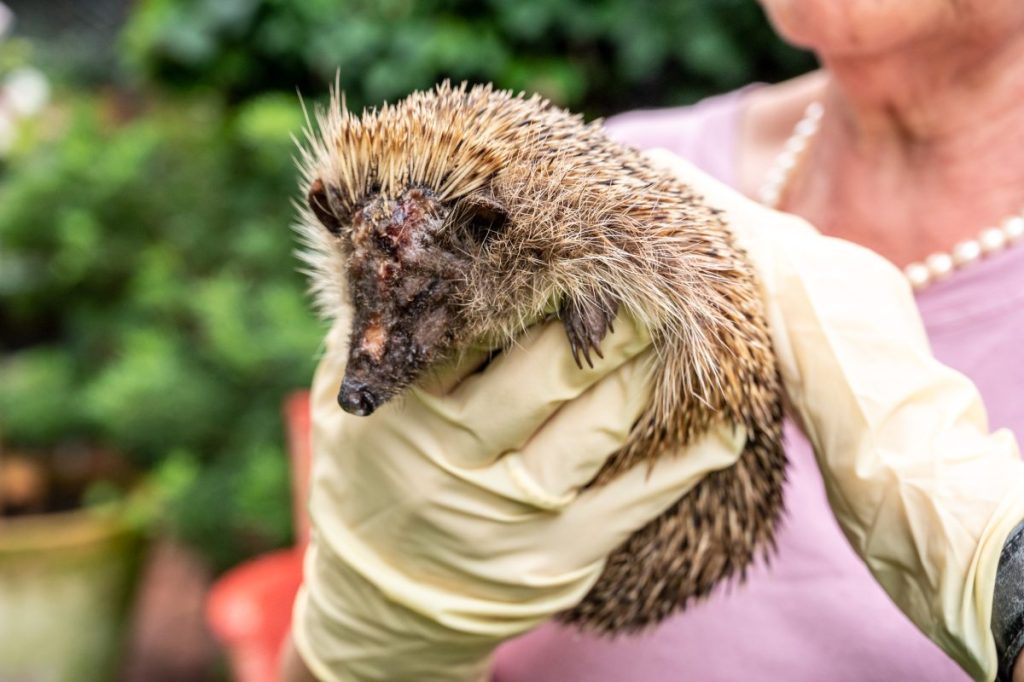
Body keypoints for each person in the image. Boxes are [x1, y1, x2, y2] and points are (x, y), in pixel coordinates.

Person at [281, 0, 1024, 679]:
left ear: (492, 235)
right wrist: (365, 643)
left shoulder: (592, 212)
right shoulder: (627, 155)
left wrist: (1010, 581)